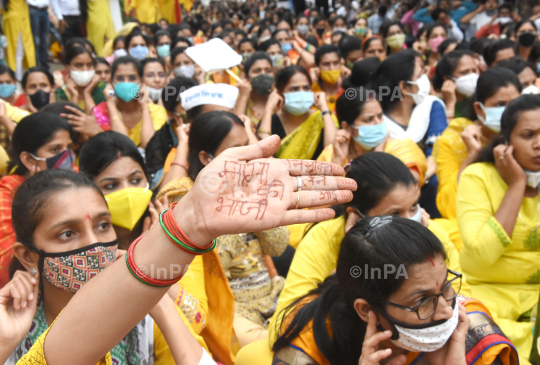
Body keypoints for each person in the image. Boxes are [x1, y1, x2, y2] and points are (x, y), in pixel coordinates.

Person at [2, 168, 202, 364]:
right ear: (27, 256)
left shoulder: (146, 317)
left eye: (103, 226)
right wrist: (5, 342)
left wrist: (158, 301)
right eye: (67, 233)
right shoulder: (11, 326)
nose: (94, 244)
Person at [268, 215, 517, 365]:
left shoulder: (470, 328)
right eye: (422, 300)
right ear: (366, 310)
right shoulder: (313, 338)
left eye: (447, 287)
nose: (445, 311)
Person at [158, 110, 291, 349]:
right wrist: (241, 213)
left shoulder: (250, 185)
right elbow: (213, 265)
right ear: (206, 158)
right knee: (278, 345)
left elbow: (278, 245)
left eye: (247, 148)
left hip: (272, 294)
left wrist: (255, 199)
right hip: (229, 308)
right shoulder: (183, 197)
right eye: (238, 152)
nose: (249, 159)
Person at [456, 94, 540, 361]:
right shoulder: (477, 177)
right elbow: (482, 253)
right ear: (506, 142)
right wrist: (517, 185)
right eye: (528, 135)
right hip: (487, 297)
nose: (539, 144)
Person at [433, 67, 521, 251]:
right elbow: (449, 206)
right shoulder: (452, 141)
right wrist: (473, 155)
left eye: (514, 103)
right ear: (479, 109)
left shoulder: (528, 137)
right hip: (475, 223)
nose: (508, 112)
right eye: (500, 104)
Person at [0, 113, 74, 288]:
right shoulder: (8, 191)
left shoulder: (77, 178)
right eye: (55, 150)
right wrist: (38, 195)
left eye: (69, 148)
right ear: (28, 159)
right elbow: (7, 261)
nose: (66, 157)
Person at [78, 131, 158, 249]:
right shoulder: (84, 246)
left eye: (135, 180)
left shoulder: (169, 230)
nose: (127, 192)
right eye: (111, 185)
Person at [376, 50, 447, 178]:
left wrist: (418, 179)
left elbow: (438, 152)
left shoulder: (432, 106)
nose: (426, 79)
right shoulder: (378, 122)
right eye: (420, 76)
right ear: (404, 87)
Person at [258, 65, 338, 160]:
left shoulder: (323, 117)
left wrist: (324, 108)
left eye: (306, 88)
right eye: (295, 89)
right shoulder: (271, 121)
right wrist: (268, 108)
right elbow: (262, 153)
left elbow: (332, 150)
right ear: (279, 93)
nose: (302, 93)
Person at [92, 56, 167, 148]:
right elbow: (122, 145)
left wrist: (144, 106)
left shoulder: (157, 112)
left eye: (132, 78)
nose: (126, 83)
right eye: (120, 78)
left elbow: (149, 146)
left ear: (142, 81)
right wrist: (111, 104)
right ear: (111, 82)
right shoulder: (100, 112)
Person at [145, 76, 196, 187]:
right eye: (188, 110)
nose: (196, 115)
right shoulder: (158, 144)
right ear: (171, 114)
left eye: (198, 107)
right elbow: (165, 192)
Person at [54, 45, 107, 114]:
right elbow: (68, 122)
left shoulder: (104, 89)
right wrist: (74, 96)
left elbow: (95, 120)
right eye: (79, 65)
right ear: (67, 68)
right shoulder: (59, 94)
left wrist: (87, 93)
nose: (85, 69)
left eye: (89, 65)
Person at [432, 50, 479, 119]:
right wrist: (450, 104)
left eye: (474, 71)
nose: (472, 76)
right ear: (448, 78)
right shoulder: (434, 103)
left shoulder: (476, 100)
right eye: (464, 72)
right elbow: (445, 130)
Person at [235, 52, 274, 126]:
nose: (263, 74)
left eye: (268, 71)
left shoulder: (279, 101)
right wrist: (243, 97)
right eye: (257, 71)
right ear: (247, 77)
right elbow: (235, 128)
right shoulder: (237, 101)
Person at [1, 0, 36, 80]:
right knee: (18, 53)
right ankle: (17, 79)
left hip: (10, 18)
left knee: (12, 51)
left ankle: (13, 78)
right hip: (18, 21)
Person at [310, 45, 345, 114]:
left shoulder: (347, 89)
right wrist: (310, 82)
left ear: (341, 64)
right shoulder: (310, 91)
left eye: (335, 63)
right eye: (326, 64)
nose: (332, 68)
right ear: (317, 67)